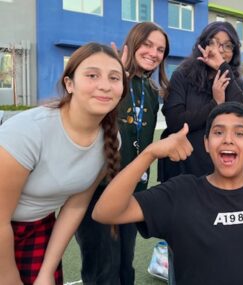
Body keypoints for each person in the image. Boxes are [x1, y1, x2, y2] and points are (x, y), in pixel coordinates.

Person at [92, 102, 243, 285]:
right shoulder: (181, 193)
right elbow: (105, 212)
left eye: (239, 133)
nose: (228, 139)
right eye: (218, 132)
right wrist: (150, 153)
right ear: (206, 144)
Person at [0, 42, 127, 285]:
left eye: (114, 78)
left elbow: (76, 206)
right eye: (92, 75)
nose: (104, 85)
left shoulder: (111, 139)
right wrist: (8, 278)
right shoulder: (29, 131)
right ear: (70, 84)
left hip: (39, 228)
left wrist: (47, 272)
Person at [75, 21, 169, 285]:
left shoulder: (150, 90)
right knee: (103, 270)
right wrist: (114, 76)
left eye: (160, 49)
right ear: (133, 42)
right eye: (147, 44)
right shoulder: (111, 84)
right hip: (98, 188)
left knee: (125, 266)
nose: (153, 53)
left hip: (132, 190)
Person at [158, 21, 243, 183]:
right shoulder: (183, 75)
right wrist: (215, 104)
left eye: (228, 46)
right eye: (213, 43)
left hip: (220, 170)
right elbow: (175, 122)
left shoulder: (236, 82)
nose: (220, 50)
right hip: (183, 168)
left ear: (234, 52)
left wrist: (222, 67)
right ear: (203, 45)